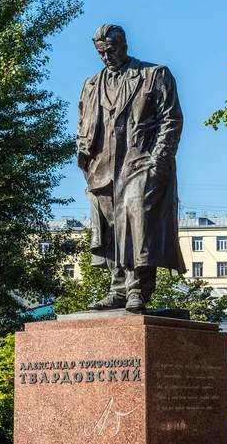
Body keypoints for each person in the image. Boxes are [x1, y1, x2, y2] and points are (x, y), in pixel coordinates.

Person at [77, 24, 185, 311]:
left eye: (111, 51)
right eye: (100, 53)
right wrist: (84, 153)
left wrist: (159, 160)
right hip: (102, 166)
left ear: (124, 46)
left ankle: (138, 288)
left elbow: (171, 120)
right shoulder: (91, 85)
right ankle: (118, 289)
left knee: (137, 219)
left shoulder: (154, 75)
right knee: (109, 226)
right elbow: (83, 122)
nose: (106, 57)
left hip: (140, 161)